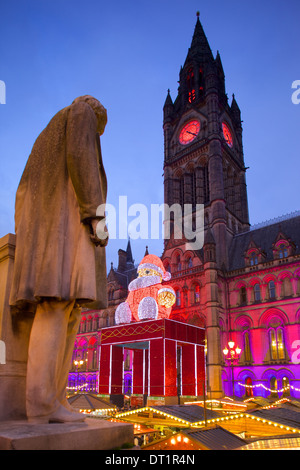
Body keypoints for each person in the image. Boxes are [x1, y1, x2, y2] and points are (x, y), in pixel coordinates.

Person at [9, 95, 108, 423]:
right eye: (100, 127)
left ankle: (57, 399)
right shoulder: (81, 113)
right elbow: (81, 158)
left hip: (46, 231)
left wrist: (28, 234)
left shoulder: (45, 137)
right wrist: (96, 214)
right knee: (57, 307)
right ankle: (42, 403)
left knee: (67, 312)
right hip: (65, 228)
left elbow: (21, 192)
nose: (99, 132)